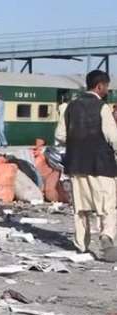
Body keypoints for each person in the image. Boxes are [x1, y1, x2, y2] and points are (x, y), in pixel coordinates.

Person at [55, 70, 117, 261]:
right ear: (100, 86)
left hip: (76, 164)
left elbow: (60, 135)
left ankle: (82, 245)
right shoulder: (102, 107)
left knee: (80, 208)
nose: (107, 90)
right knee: (107, 205)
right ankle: (106, 236)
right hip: (101, 165)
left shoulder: (69, 107)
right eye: (106, 86)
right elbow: (112, 137)